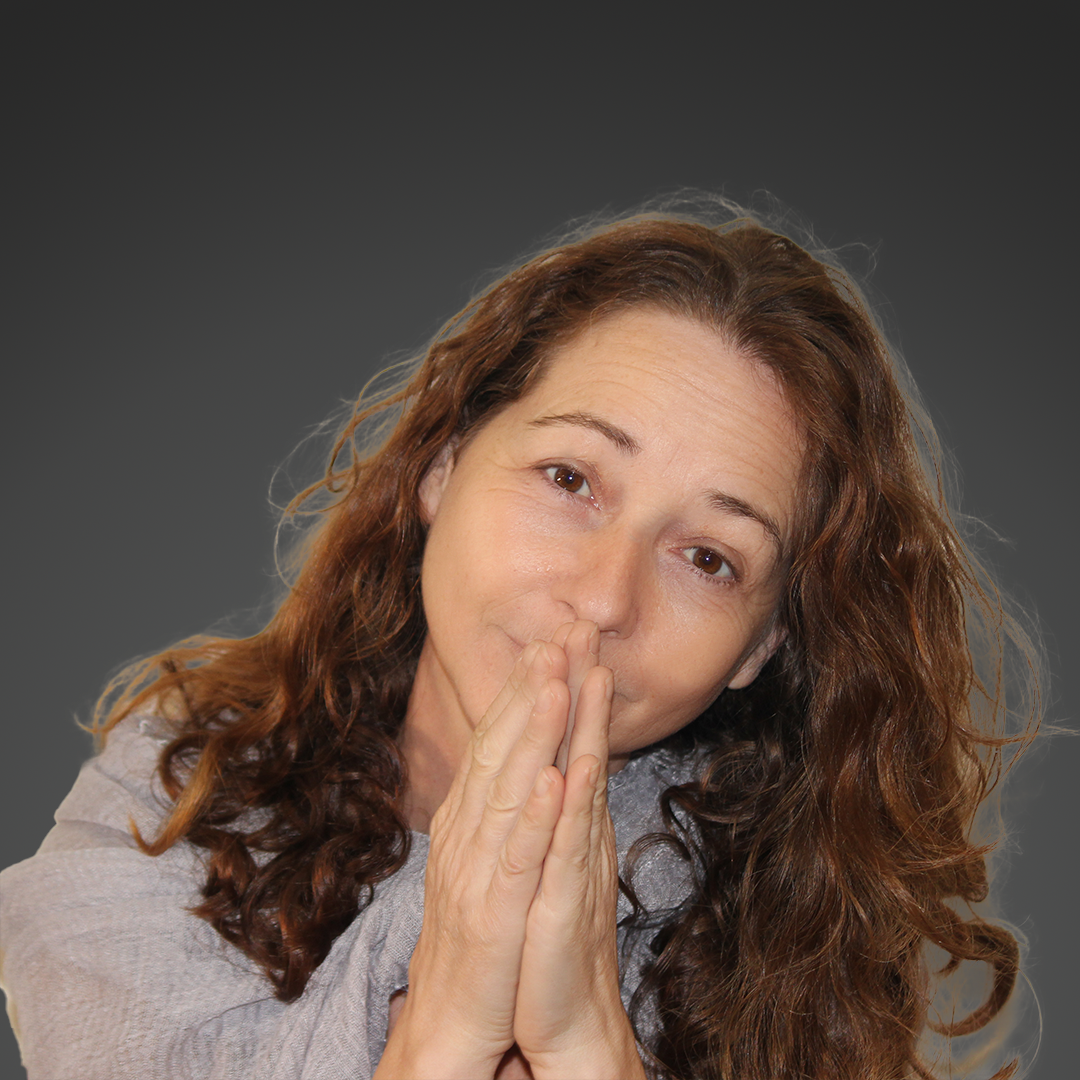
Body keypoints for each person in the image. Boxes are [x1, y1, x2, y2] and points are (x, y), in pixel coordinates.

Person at [0, 201, 1038, 1079]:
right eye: (571, 479)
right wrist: (446, 1008)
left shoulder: (799, 956)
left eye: (710, 557)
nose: (602, 597)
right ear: (442, 467)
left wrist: (590, 1042)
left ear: (760, 649)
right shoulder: (171, 787)